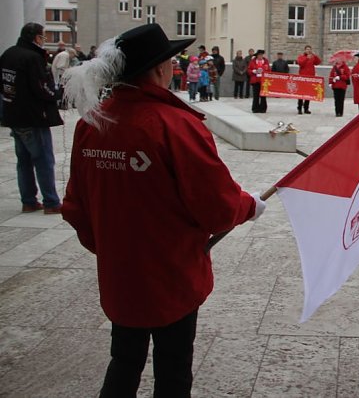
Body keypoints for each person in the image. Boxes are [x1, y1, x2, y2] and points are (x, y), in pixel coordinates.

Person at [60, 23, 265, 396]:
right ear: (159, 69)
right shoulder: (174, 125)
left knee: (123, 360)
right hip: (172, 274)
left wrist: (111, 246)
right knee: (173, 368)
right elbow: (217, 207)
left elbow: (76, 205)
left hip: (120, 274)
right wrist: (248, 205)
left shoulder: (93, 123)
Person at [0, 22, 63, 214]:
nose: (43, 41)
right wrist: (57, 94)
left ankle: (28, 201)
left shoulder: (9, 53)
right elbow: (41, 87)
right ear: (36, 38)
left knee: (24, 160)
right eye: (43, 37)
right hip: (33, 116)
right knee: (43, 159)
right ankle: (51, 202)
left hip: (13, 114)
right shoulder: (32, 58)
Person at [296, 45, 321, 114]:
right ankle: (299, 108)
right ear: (305, 50)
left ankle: (306, 108)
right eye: (307, 49)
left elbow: (318, 62)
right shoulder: (301, 57)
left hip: (310, 78)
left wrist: (314, 55)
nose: (308, 50)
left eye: (309, 49)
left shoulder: (312, 57)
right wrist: (307, 58)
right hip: (303, 78)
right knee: (301, 94)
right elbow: (301, 64)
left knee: (308, 94)